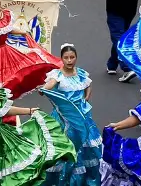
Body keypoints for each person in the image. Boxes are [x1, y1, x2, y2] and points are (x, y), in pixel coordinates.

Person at [40, 45, 102, 186]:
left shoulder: (80, 73)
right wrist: (43, 89)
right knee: (67, 147)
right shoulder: (57, 75)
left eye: (72, 57)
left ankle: (86, 178)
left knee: (86, 147)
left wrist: (86, 97)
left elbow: (88, 85)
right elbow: (49, 85)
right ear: (61, 59)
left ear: (76, 58)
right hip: (65, 118)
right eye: (66, 58)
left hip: (83, 116)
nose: (69, 60)